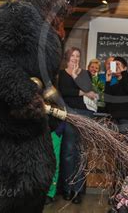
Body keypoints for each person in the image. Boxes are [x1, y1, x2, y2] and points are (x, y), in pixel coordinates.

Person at [57, 47, 97, 204]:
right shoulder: (61, 74)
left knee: (81, 153)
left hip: (85, 114)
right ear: (67, 57)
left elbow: (88, 89)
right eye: (72, 56)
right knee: (68, 152)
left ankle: (78, 190)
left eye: (78, 56)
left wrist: (76, 76)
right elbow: (65, 91)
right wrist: (82, 92)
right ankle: (67, 188)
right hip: (70, 113)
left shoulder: (85, 73)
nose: (75, 58)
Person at [104, 56, 128, 132]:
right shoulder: (114, 85)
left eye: (118, 64)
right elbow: (107, 100)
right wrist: (107, 81)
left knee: (125, 143)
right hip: (114, 120)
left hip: (127, 119)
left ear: (125, 67)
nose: (116, 66)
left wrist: (123, 72)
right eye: (114, 65)